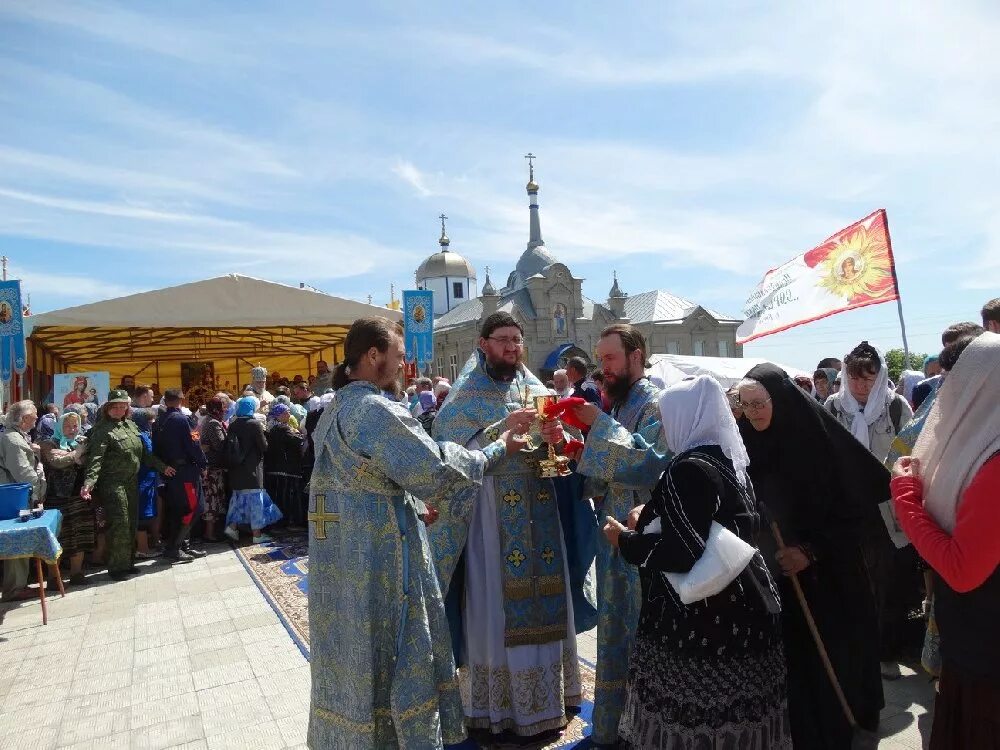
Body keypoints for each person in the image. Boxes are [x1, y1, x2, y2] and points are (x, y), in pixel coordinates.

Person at [307, 317, 523, 749]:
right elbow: (437, 469)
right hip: (381, 562)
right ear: (374, 355)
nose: (405, 366)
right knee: (395, 653)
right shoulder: (374, 410)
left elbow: (366, 479)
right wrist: (501, 447)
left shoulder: (334, 409)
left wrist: (411, 504)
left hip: (340, 561)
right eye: (400, 355)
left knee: (351, 657)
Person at [604, 376, 790, 748]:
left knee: (695, 717)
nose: (665, 429)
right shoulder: (729, 460)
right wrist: (653, 515)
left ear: (685, 417)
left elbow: (682, 553)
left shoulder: (687, 469)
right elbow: (722, 523)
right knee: (737, 718)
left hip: (701, 621)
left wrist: (625, 540)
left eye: (667, 419)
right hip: (746, 606)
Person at [430, 312, 583, 741]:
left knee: (547, 597)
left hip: (541, 508)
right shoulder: (464, 396)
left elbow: (558, 459)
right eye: (503, 340)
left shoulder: (536, 389)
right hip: (490, 511)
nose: (513, 347)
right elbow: (446, 453)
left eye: (517, 340)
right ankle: (497, 707)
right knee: (495, 603)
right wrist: (501, 431)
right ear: (483, 344)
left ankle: (548, 699)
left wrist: (556, 440)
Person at [737, 365, 886, 748]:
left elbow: (858, 514)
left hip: (831, 581)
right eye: (745, 405)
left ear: (779, 399)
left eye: (759, 403)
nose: (753, 412)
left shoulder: (818, 444)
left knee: (833, 669)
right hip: (777, 577)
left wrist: (810, 551)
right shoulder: (746, 442)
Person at [890, 331, 1000, 749]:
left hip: (986, 661)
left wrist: (905, 496)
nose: (942, 395)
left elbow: (962, 569)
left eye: (952, 384)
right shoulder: (986, 445)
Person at [567, 324, 670, 745]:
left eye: (609, 358)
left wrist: (599, 427)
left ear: (636, 356)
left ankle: (642, 732)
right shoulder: (622, 403)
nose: (603, 368)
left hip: (643, 537)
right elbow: (605, 472)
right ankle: (612, 729)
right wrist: (578, 449)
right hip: (613, 537)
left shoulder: (657, 403)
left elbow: (653, 464)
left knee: (640, 635)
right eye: (600, 359)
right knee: (614, 634)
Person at [81, 390, 175, 580]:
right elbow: (96, 459)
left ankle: (128, 563)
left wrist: (162, 467)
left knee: (131, 522)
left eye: (122, 406)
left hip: (131, 481)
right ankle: (117, 568)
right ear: (107, 408)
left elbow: (145, 455)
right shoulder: (102, 430)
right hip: (112, 483)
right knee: (120, 523)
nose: (119, 410)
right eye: (115, 407)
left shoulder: (130, 425)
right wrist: (89, 483)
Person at [39, 412, 94, 585]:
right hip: (56, 498)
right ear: (59, 427)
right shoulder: (49, 443)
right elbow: (56, 462)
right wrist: (76, 454)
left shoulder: (82, 441)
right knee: (58, 537)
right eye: (68, 426)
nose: (72, 429)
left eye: (75, 426)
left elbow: (87, 461)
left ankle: (77, 573)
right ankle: (54, 578)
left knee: (80, 535)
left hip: (79, 496)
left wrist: (70, 455)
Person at [154, 389, 208, 562]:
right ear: (181, 400)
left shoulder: (159, 420)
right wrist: (203, 463)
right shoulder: (183, 419)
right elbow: (194, 443)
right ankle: (175, 547)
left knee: (179, 509)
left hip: (171, 470)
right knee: (194, 508)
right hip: (186, 472)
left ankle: (183, 545)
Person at [0, 400, 45, 601]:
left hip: (14, 495)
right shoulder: (13, 440)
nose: (37, 419)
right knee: (17, 541)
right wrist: (38, 491)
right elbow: (23, 473)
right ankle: (15, 588)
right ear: (25, 418)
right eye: (34, 416)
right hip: (15, 498)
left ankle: (18, 585)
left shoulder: (14, 436)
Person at [223, 396, 281, 543]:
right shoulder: (254, 424)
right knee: (255, 500)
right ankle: (257, 534)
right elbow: (264, 446)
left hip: (236, 469)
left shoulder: (233, 424)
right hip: (252, 468)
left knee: (239, 498)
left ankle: (232, 527)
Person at [264, 403, 305, 529]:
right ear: (279, 415)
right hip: (284, 468)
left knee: (277, 496)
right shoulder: (283, 428)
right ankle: (283, 522)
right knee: (284, 496)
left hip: (274, 467)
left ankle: (277, 522)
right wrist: (300, 434)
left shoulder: (271, 427)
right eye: (286, 412)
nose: (289, 414)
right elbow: (297, 440)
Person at [130, 408, 161, 557]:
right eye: (149, 420)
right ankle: (142, 549)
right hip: (142, 479)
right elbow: (149, 456)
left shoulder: (145, 434)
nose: (152, 423)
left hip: (148, 478)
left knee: (146, 513)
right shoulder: (140, 436)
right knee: (141, 514)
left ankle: (145, 546)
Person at [199, 397, 228, 542]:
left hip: (212, 467)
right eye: (223, 407)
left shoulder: (209, 420)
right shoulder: (213, 423)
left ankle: (212, 532)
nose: (225, 410)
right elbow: (220, 444)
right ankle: (209, 533)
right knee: (212, 499)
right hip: (212, 469)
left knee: (214, 499)